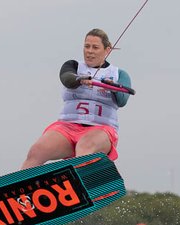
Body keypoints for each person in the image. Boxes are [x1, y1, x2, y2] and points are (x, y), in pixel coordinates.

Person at [20, 29, 132, 170]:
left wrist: (112, 86)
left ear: (107, 50)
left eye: (95, 47)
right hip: (68, 127)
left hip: (101, 131)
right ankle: (19, 189)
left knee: (84, 147)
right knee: (37, 150)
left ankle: (80, 187)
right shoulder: (73, 66)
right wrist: (80, 79)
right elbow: (66, 78)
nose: (89, 51)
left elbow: (123, 100)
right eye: (87, 46)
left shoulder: (119, 74)